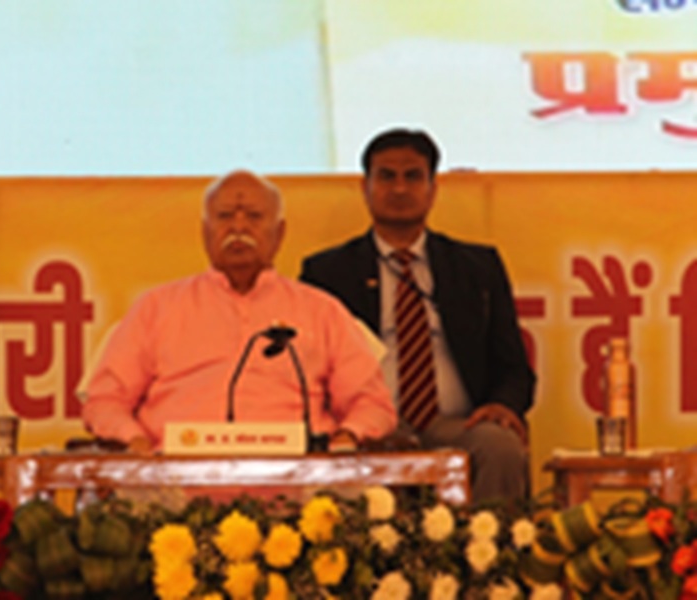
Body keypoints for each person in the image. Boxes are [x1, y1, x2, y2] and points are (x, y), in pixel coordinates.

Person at [83, 170, 397, 453]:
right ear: (205, 231)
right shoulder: (156, 307)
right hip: (172, 481)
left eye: (254, 216)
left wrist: (347, 436)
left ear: (279, 233)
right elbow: (105, 401)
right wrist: (134, 441)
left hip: (299, 484)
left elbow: (371, 404)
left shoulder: (322, 310)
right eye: (224, 216)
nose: (238, 226)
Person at [299, 128, 535, 502]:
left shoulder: (476, 267)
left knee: (499, 445)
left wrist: (503, 406)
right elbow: (309, 368)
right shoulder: (328, 272)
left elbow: (514, 368)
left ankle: (496, 541)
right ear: (365, 188)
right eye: (386, 176)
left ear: (432, 189)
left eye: (413, 177)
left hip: (458, 424)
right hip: (370, 426)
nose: (399, 188)